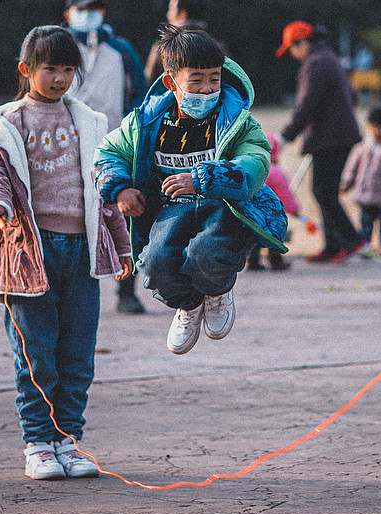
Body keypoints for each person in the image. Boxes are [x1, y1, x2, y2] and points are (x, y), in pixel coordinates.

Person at [0, 25, 132, 480]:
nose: (60, 78)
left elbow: (105, 192)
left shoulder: (88, 123)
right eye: (50, 69)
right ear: (26, 70)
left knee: (78, 354)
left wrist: (120, 247)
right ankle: (38, 444)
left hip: (81, 254)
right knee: (37, 356)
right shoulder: (5, 124)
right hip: (29, 256)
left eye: (68, 69)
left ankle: (68, 441)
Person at [95, 25, 287, 355]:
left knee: (206, 253)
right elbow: (108, 153)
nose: (207, 88)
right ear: (171, 81)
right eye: (196, 80)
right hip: (170, 209)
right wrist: (120, 189)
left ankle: (217, 290)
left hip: (225, 208)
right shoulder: (145, 121)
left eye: (214, 79)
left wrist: (204, 179)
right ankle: (189, 304)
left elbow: (255, 160)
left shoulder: (236, 120)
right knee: (154, 264)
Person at [62, 0, 151, 314]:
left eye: (95, 8)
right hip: (67, 144)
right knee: (70, 218)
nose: (89, 14)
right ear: (68, 13)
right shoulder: (58, 47)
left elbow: (141, 93)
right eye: (82, 8)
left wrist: (135, 133)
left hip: (116, 145)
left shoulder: (121, 49)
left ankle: (126, 290)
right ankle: (71, 292)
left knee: (124, 217)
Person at [276, 21, 364, 263]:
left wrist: (286, 135)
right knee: (323, 190)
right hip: (335, 135)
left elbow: (306, 104)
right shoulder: (327, 57)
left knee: (323, 191)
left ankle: (350, 239)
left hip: (332, 137)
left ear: (302, 43)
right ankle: (333, 245)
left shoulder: (315, 64)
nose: (293, 55)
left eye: (292, 49)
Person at [340, 106, 381, 258]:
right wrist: (345, 184)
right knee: (365, 222)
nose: (376, 130)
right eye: (373, 126)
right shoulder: (363, 146)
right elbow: (353, 167)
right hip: (366, 194)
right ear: (368, 125)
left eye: (380, 127)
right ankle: (366, 244)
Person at [245, 133, 298, 271]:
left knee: (254, 238)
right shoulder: (276, 172)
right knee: (274, 237)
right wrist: (294, 208)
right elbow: (285, 195)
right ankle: (276, 261)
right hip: (271, 214)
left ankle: (253, 261)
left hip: (252, 213)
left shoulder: (252, 168)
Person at [145, 0, 207, 84]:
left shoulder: (163, 47)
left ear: (183, 14)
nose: (168, 15)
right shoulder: (216, 46)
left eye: (171, 10)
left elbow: (149, 82)